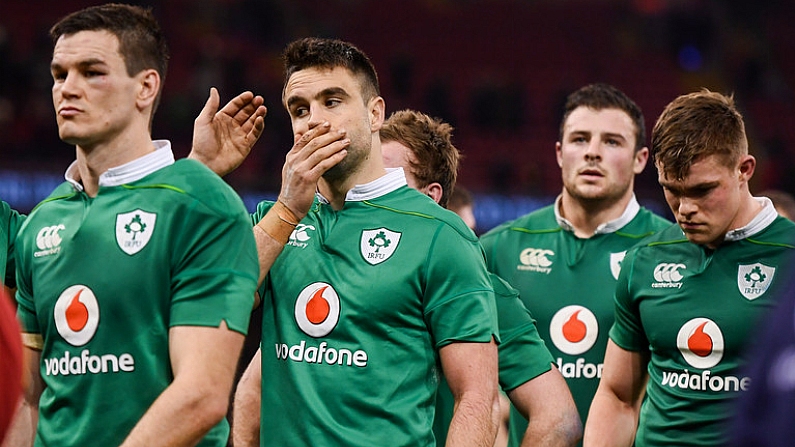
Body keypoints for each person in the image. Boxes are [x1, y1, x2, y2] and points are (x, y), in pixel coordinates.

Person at [9, 5, 266, 446]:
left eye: (92, 72)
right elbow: (28, 398)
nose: (67, 89)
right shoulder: (40, 224)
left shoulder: (204, 204)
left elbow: (201, 395)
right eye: (58, 74)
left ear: (146, 87)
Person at [233, 38, 500, 447]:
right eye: (299, 109)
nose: (313, 121)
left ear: (375, 113)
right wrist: (289, 207)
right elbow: (217, 305)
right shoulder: (274, 222)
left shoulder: (440, 234)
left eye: (332, 101)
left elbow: (476, 398)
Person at [584, 90, 795, 446]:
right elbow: (618, 396)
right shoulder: (644, 260)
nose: (685, 209)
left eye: (702, 190)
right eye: (672, 190)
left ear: (744, 170)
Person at [479, 83, 670, 445]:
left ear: (641, 159)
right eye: (580, 139)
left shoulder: (672, 250)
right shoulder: (499, 248)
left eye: (612, 142)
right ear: (558, 152)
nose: (592, 153)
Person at [380, 109, 581, 447]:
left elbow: (558, 420)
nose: (368, 190)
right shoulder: (330, 265)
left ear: (430, 197)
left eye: (385, 178)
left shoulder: (482, 289)